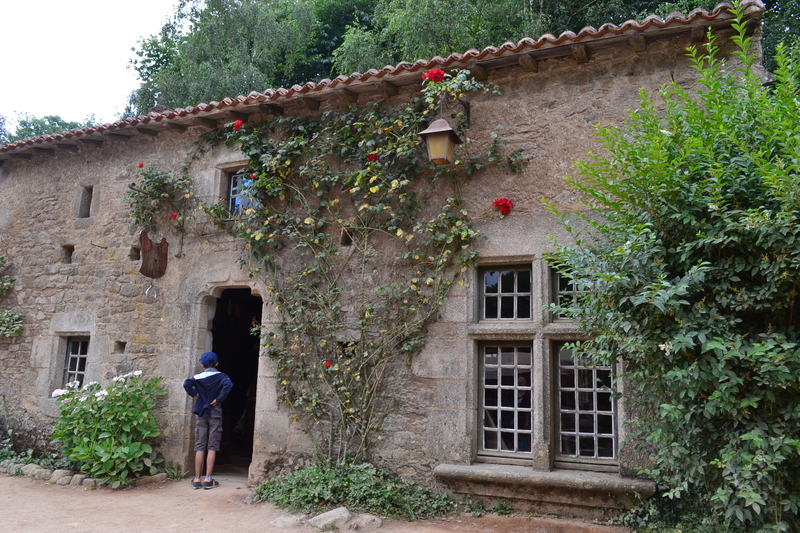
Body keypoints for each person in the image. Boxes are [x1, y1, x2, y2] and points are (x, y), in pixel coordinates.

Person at [183, 351, 233, 490]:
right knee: (212, 446)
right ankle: (208, 479)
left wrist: (196, 394)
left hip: (201, 413)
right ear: (216, 364)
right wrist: (218, 399)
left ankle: (197, 479)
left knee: (200, 445)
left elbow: (186, 384)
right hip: (215, 412)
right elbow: (228, 385)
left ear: (201, 364)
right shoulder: (222, 376)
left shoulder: (197, 377)